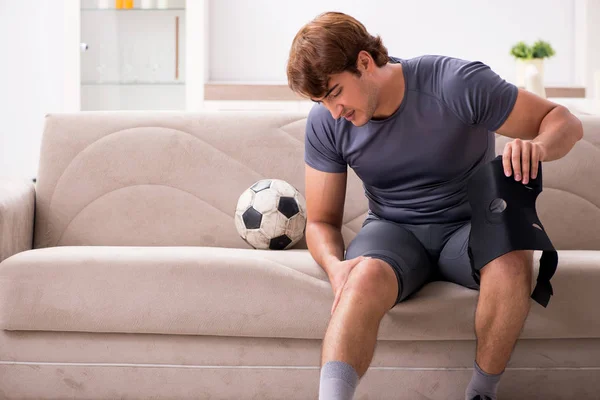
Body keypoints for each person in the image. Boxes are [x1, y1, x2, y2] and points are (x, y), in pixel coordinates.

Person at [286, 11, 583, 400]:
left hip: (470, 228)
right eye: (321, 101)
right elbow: (322, 221)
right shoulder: (326, 123)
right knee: (359, 279)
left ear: (363, 62)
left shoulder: (455, 84)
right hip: (393, 232)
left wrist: (538, 147)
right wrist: (335, 267)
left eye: (336, 93)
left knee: (514, 258)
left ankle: (481, 392)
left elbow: (564, 122)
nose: (333, 111)